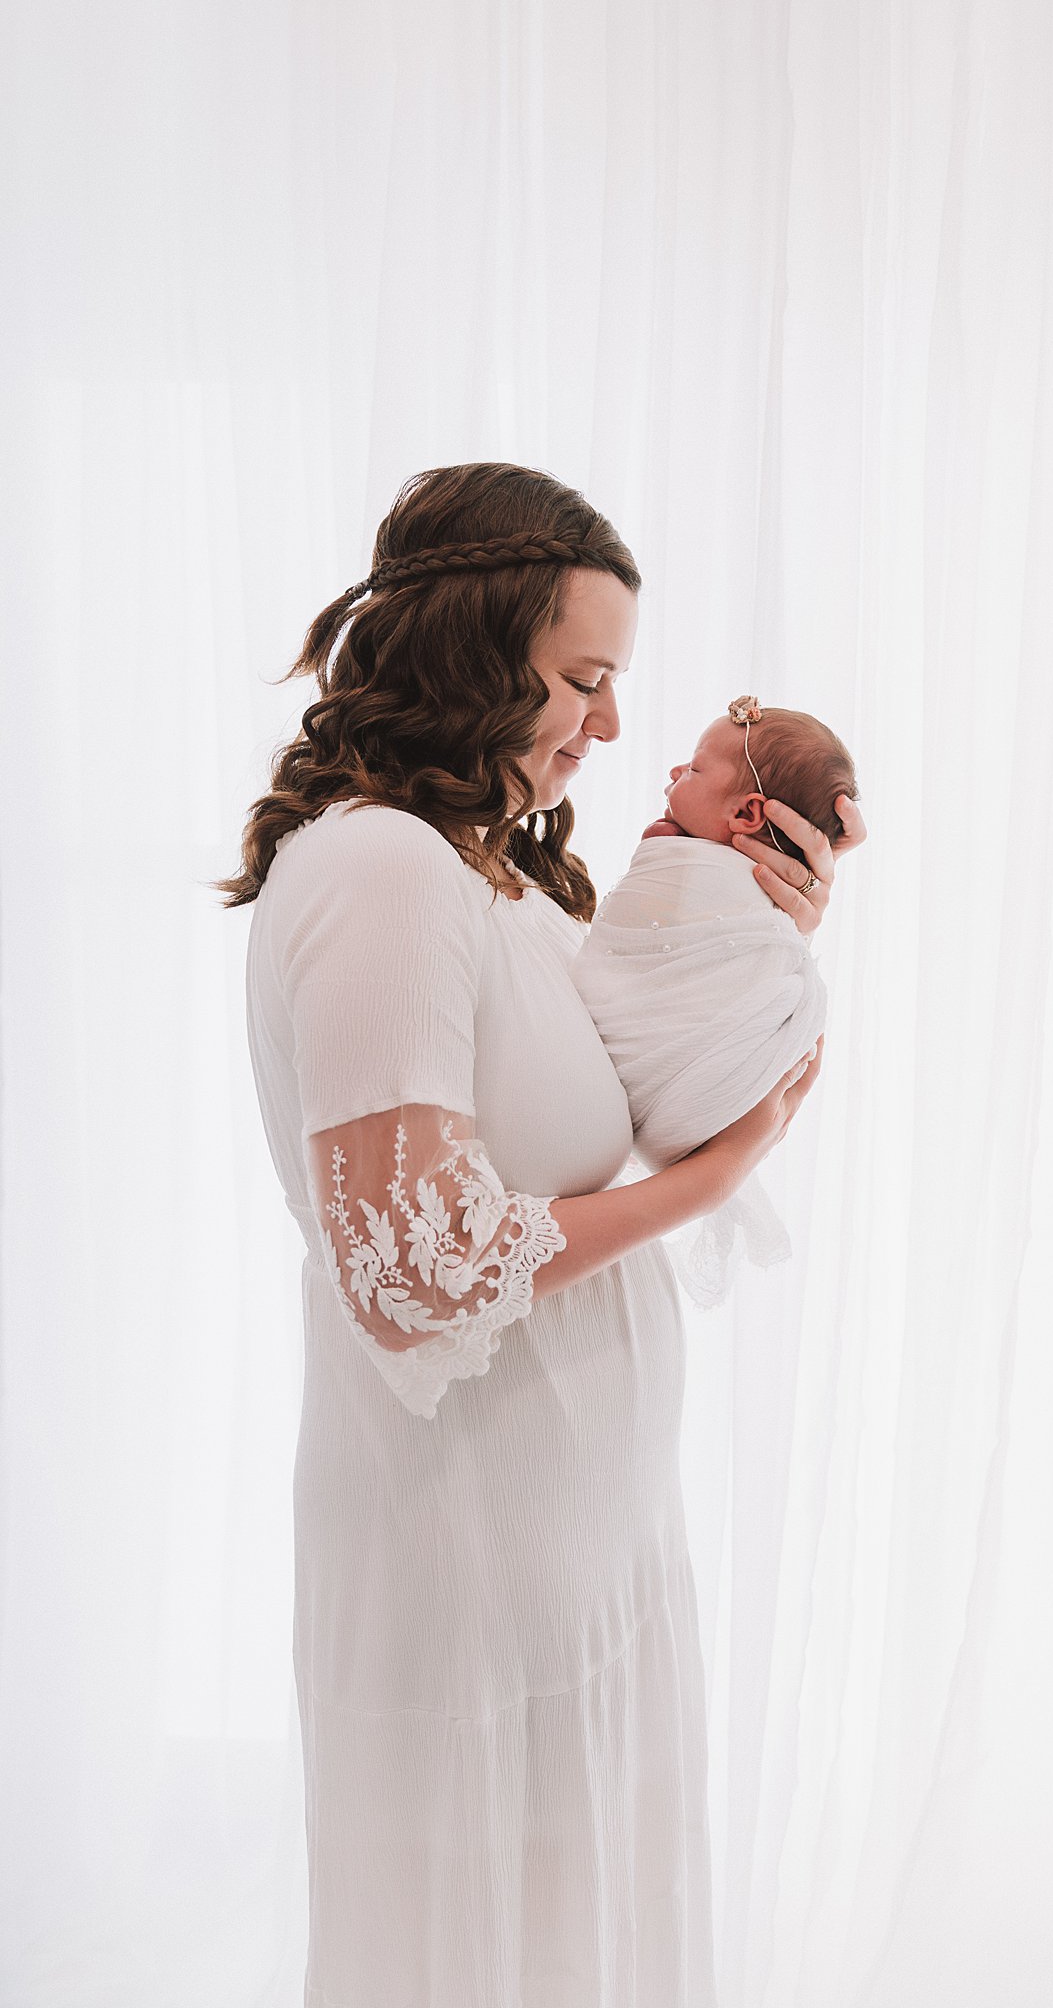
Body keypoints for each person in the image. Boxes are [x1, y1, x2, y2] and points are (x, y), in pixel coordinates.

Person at [217, 461, 866, 2006]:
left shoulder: (490, 876)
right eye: (583, 678)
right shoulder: (380, 872)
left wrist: (753, 943)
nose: (614, 726)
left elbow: (613, 1101)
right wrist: (723, 1180)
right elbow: (419, 1272)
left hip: (574, 1550)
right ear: (468, 649)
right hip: (469, 1568)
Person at [570, 697, 859, 1306]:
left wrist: (779, 930)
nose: (674, 775)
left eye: (695, 770)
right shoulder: (674, 859)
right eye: (582, 679)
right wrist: (727, 1162)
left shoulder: (705, 868)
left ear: (748, 811)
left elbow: (714, 966)